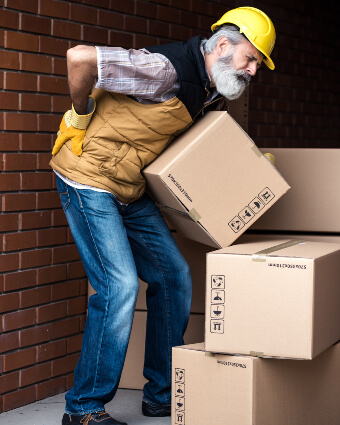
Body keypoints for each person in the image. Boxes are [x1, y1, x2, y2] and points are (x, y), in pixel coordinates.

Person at [50, 6, 276, 425]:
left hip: (128, 186)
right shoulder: (164, 71)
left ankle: (161, 394)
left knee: (173, 277)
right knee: (118, 288)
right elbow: (79, 58)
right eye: (250, 59)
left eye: (257, 64)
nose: (252, 70)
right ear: (223, 45)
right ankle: (83, 408)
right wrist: (80, 112)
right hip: (88, 178)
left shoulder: (209, 88)